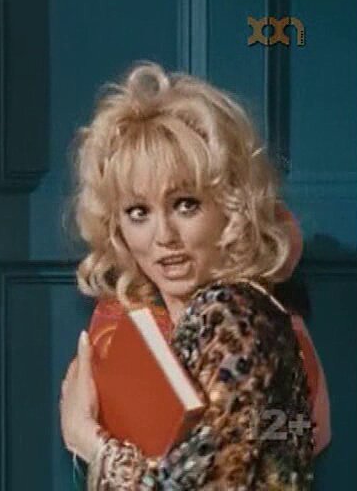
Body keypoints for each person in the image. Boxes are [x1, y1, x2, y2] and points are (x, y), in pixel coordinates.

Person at [59, 62, 317, 489]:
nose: (165, 236)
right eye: (138, 212)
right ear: (116, 226)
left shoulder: (230, 312)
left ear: (230, 207)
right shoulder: (199, 320)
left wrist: (91, 443)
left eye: (185, 204)